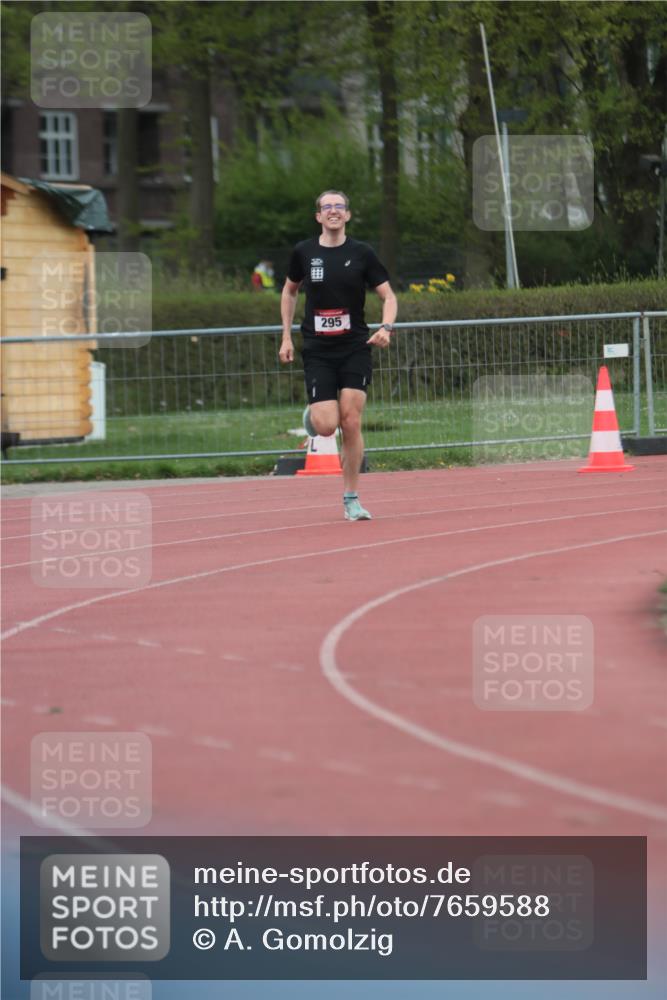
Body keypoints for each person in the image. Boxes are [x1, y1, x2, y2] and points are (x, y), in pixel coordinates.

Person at [279, 190, 397, 521]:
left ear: (347, 215)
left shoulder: (362, 253)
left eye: (339, 206)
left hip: (355, 347)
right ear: (318, 216)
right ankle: (314, 414)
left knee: (352, 421)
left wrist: (386, 327)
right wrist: (286, 337)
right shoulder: (304, 252)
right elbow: (289, 292)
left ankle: (351, 498)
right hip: (318, 348)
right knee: (327, 426)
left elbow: (388, 296)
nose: (333, 211)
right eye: (326, 207)